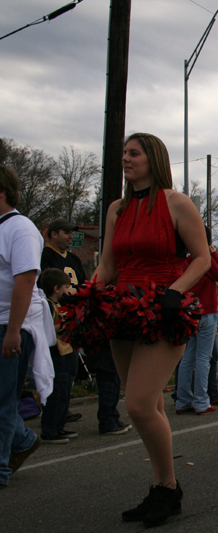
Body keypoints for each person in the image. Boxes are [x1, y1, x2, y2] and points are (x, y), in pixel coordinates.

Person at [92, 133, 210, 525]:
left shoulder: (177, 203)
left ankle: (168, 488)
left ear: (153, 158)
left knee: (139, 404)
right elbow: (108, 265)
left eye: (133, 153)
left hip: (164, 310)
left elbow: (203, 258)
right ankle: (162, 485)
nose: (126, 158)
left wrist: (176, 291)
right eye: (123, 152)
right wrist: (86, 298)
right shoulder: (116, 209)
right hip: (122, 311)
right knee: (150, 403)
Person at [0, 164, 51, 489]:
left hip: (10, 325)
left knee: (3, 400)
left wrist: (13, 330)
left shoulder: (21, 229)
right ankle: (20, 439)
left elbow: (26, 280)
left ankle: (2, 467)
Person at [175, 227, 218, 415]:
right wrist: (214, 256)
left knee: (187, 358)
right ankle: (201, 401)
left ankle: (182, 401)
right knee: (203, 359)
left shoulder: (185, 261)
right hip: (207, 311)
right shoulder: (204, 259)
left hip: (189, 313)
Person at [41, 217, 86, 424]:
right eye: (66, 233)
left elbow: (84, 283)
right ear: (53, 234)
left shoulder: (73, 259)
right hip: (56, 316)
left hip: (74, 317)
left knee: (70, 368)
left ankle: (62, 408)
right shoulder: (45, 256)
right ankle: (53, 411)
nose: (70, 237)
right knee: (58, 370)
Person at [38, 269, 78, 444]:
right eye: (66, 287)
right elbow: (46, 330)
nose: (68, 291)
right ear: (56, 288)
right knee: (57, 393)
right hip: (56, 353)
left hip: (67, 350)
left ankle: (59, 426)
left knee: (65, 391)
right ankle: (49, 430)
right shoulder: (45, 305)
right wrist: (63, 322)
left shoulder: (57, 304)